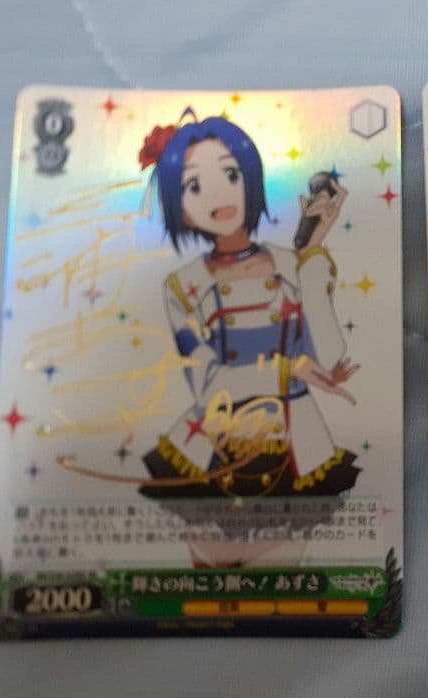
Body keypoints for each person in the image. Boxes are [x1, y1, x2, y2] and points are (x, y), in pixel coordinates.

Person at [135, 110, 360, 498]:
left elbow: (328, 355)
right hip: (210, 445)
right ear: (181, 209)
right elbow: (207, 385)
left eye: (230, 175)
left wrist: (311, 252)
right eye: (195, 186)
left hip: (299, 445)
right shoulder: (184, 286)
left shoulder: (296, 265)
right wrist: (287, 371)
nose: (218, 195)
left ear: (250, 182)